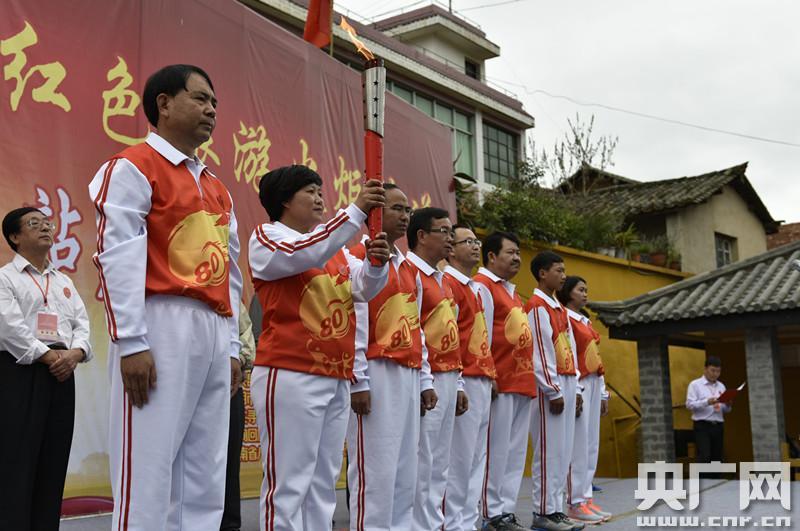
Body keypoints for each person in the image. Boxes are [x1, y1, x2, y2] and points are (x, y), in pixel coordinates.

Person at [89, 64, 244, 530]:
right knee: (149, 468)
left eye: (215, 103)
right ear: (164, 103)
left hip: (213, 325)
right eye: (200, 98)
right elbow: (118, 256)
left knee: (205, 473)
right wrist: (132, 341)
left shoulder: (217, 187)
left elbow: (231, 272)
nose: (211, 110)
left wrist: (231, 346)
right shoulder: (132, 166)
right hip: (161, 321)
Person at [248, 165, 390, 531]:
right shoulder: (268, 237)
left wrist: (376, 263)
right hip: (290, 370)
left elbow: (363, 288)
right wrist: (356, 211)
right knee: (288, 483)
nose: (319, 199)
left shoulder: (334, 251)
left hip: (335, 373)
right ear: (284, 200)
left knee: (323, 483)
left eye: (320, 191)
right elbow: (304, 254)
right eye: (309, 191)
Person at [345, 183, 432, 530]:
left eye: (408, 209)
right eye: (397, 208)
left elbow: (416, 326)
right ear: (374, 214)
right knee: (376, 470)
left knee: (405, 469)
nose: (405, 215)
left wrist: (425, 380)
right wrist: (359, 380)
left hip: (407, 371)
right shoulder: (356, 256)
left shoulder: (409, 269)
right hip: (376, 369)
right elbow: (354, 323)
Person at [0, 207, 92, 531]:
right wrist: (50, 357)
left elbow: (82, 324)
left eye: (47, 223)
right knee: (17, 460)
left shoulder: (63, 281)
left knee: (54, 458)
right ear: (15, 236)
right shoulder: (5, 278)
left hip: (62, 374)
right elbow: (9, 328)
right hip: (20, 373)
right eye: (34, 224)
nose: (45, 228)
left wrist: (76, 353)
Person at [407, 207, 464, 531]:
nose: (450, 238)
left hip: (449, 376)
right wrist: (425, 381)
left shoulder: (442, 279)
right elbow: (414, 331)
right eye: (443, 231)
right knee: (422, 459)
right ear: (421, 236)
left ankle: (433, 524)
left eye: (451, 232)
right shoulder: (411, 274)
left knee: (440, 461)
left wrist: (458, 383)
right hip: (426, 378)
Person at [473, 231, 534, 531]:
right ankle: (492, 513)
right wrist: (490, 373)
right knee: (495, 452)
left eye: (518, 252)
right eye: (510, 252)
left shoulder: (510, 291)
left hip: (521, 381)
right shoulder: (482, 286)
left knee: (514, 454)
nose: (517, 258)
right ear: (491, 256)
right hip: (500, 381)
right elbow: (480, 332)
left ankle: (506, 511)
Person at [442, 224, 498, 531]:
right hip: (461, 379)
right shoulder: (447, 283)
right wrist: (460, 381)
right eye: (468, 242)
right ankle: (452, 523)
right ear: (450, 248)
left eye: (477, 241)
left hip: (482, 378)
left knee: (477, 456)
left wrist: (491, 375)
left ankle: (467, 521)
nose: (476, 246)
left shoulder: (476, 289)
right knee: (459, 458)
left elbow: (483, 336)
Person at [526, 251, 584, 531]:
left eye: (564, 271)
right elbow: (540, 350)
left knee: (563, 451)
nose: (563, 276)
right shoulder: (537, 306)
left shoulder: (559, 308)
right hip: (551, 386)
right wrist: (552, 389)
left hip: (568, 380)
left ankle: (556, 509)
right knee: (548, 452)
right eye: (558, 271)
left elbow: (569, 348)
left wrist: (577, 386)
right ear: (542, 274)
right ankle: (543, 512)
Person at [557, 276, 612, 524]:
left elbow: (596, 358)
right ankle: (575, 501)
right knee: (578, 444)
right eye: (580, 289)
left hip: (593, 382)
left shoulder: (585, 320)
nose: (585, 293)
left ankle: (586, 496)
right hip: (579, 382)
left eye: (586, 289)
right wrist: (577, 389)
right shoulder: (566, 318)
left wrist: (602, 391)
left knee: (591, 443)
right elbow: (569, 354)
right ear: (569, 292)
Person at [221, 300, 257, 531]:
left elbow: (246, 334)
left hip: (231, 386)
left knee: (229, 462)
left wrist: (239, 358)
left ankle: (230, 525)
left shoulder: (229, 295)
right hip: (192, 382)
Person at [686, 356, 731, 464]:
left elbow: (725, 410)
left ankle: (715, 476)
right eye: (712, 370)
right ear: (705, 369)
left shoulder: (721, 386)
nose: (715, 374)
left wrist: (728, 405)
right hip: (702, 425)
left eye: (718, 371)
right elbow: (689, 405)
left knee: (717, 457)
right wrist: (707, 402)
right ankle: (703, 476)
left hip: (718, 425)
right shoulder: (695, 385)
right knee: (704, 456)